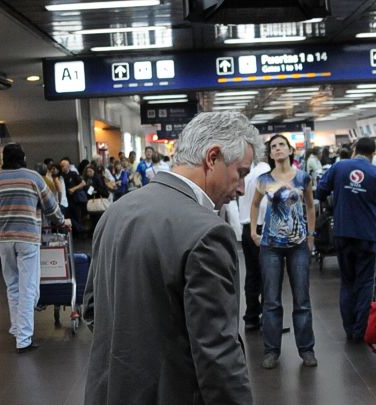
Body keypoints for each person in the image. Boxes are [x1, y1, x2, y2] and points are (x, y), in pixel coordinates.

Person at [83, 112, 259, 404]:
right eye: (240, 173)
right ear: (213, 157)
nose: (241, 188)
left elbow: (92, 309)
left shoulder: (115, 212)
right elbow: (217, 354)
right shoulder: (208, 232)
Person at [0, 144, 69, 353]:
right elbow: (51, 206)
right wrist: (61, 221)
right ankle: (23, 339)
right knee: (29, 288)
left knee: (13, 285)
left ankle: (17, 328)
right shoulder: (33, 177)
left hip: (3, 239)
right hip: (27, 237)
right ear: (23, 157)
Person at [249, 134, 317, 369]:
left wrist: (311, 235)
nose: (277, 149)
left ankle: (306, 350)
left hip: (298, 245)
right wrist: (254, 231)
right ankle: (271, 350)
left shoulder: (303, 177)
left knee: (302, 299)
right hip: (271, 246)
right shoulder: (264, 179)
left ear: (289, 150)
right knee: (271, 300)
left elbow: (310, 206)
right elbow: (255, 204)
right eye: (273, 146)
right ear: (270, 153)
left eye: (281, 145)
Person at [317, 137, 376, 343]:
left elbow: (320, 191)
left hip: (343, 231)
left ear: (355, 149)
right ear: (373, 153)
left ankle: (349, 328)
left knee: (347, 280)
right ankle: (360, 329)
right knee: (365, 282)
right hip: (368, 234)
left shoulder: (339, 167)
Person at [237, 156, 270, 331]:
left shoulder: (246, 174)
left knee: (252, 274)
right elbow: (264, 204)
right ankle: (268, 318)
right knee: (267, 275)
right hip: (260, 226)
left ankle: (251, 317)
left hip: (246, 227)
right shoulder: (266, 172)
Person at [60, 158, 86, 236]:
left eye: (63, 166)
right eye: (61, 166)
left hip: (75, 200)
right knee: (69, 217)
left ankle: (81, 232)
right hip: (66, 200)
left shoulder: (73, 174)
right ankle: (76, 232)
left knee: (77, 217)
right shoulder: (61, 176)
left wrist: (74, 188)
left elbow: (83, 183)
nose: (61, 167)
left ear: (68, 166)